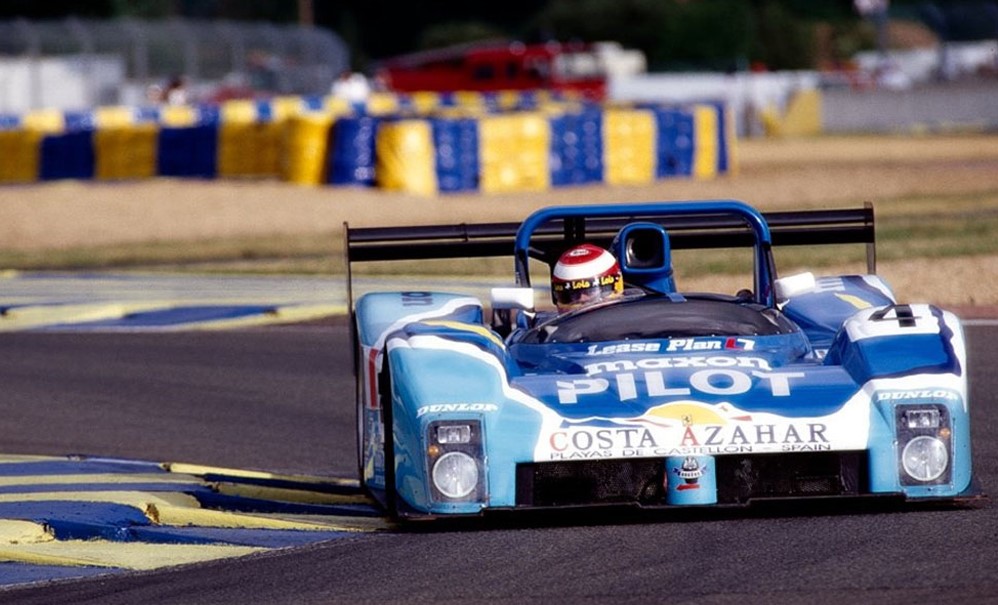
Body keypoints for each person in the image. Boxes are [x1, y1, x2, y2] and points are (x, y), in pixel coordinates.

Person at [551, 244, 624, 313]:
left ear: (617, 288)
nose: (582, 298)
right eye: (573, 294)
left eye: (590, 291)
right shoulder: (546, 325)